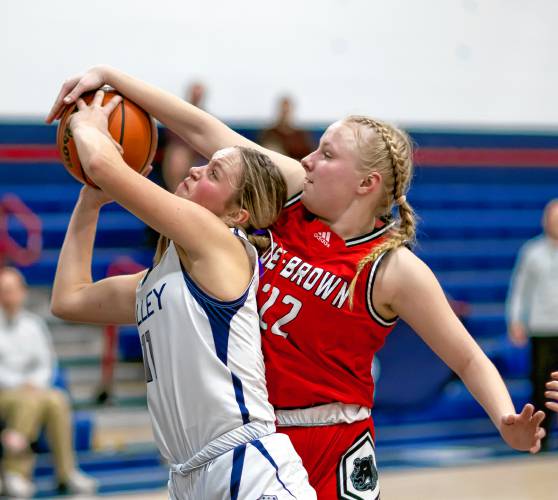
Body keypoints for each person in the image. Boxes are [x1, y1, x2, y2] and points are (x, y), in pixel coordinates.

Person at [47, 66, 546, 500]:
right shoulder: (291, 198)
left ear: (365, 184)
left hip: (333, 438)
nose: (308, 159)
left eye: (326, 154)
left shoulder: (391, 268)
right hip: (253, 427)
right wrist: (113, 77)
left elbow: (465, 356)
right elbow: (204, 129)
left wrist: (505, 420)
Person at [48, 90, 315, 499]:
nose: (194, 169)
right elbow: (69, 299)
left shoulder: (223, 242)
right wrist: (89, 203)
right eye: (204, 163)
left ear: (236, 214)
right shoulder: (156, 282)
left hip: (247, 465)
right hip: (187, 476)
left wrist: (85, 125)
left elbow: (102, 163)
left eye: (213, 174)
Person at [0, 267, 97, 498]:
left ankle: (67, 472)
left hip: (34, 390)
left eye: (12, 290)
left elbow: (47, 363)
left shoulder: (34, 325)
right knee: (29, 401)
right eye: (4, 291)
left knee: (57, 399)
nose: (9, 295)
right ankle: (15, 472)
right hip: (5, 392)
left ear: (23, 292)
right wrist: (22, 384)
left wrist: (34, 383)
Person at [507, 199, 558, 450]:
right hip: (541, 329)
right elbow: (520, 289)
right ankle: (541, 438)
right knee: (542, 385)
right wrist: (516, 320)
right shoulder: (532, 251)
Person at [161, 81, 207, 192]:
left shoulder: (206, 117)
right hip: (180, 149)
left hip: (197, 153)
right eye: (195, 92)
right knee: (178, 157)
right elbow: (171, 134)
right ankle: (174, 191)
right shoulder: (179, 112)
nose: (197, 96)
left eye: (199, 93)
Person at [259, 96, 314, 160]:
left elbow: (310, 157)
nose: (285, 114)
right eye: (283, 110)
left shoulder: (301, 135)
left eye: (287, 111)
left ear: (292, 111)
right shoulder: (270, 133)